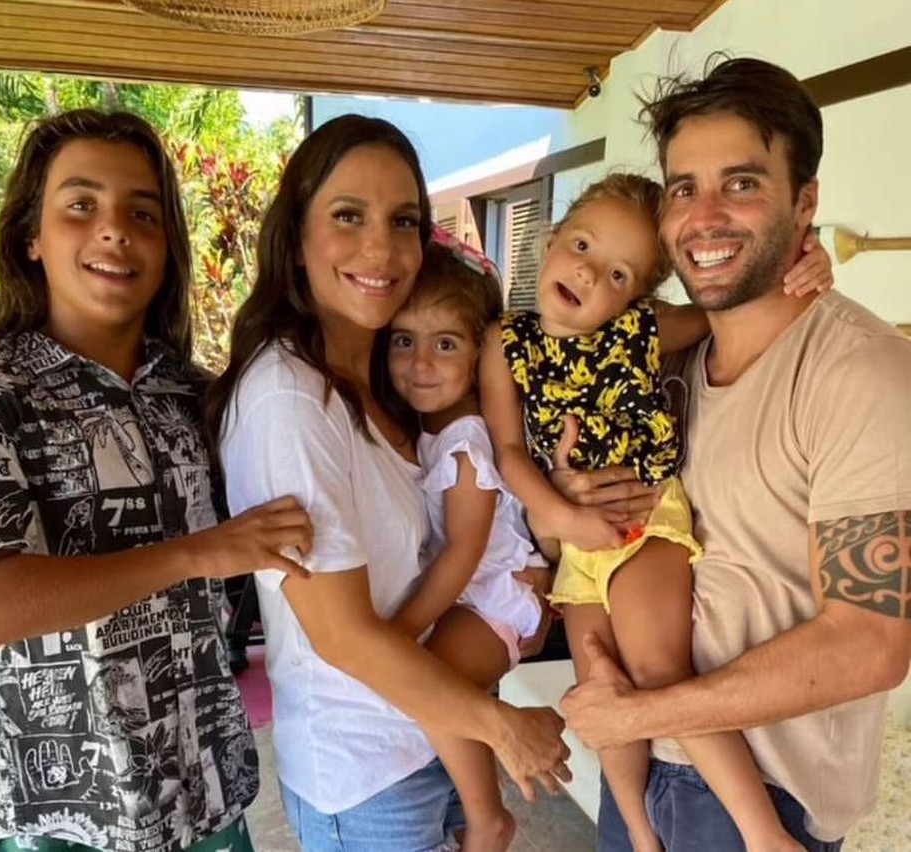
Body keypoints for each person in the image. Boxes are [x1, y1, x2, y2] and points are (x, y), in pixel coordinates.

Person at [0, 109, 313, 852]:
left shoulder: (196, 397)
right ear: (30, 238)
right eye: (81, 205)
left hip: (205, 796)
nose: (114, 229)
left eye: (143, 211)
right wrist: (200, 553)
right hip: (62, 815)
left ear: (166, 246)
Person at [560, 57, 911, 851]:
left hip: (761, 800)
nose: (704, 215)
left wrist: (641, 712)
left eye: (743, 184)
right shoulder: (665, 363)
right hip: (647, 761)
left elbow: (872, 641)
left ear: (806, 201)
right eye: (684, 188)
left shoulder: (859, 370)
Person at [209, 113, 570, 851]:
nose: (380, 247)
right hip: (368, 770)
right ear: (296, 237)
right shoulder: (290, 399)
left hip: (427, 737)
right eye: (348, 215)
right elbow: (343, 636)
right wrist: (506, 730)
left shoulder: (389, 384)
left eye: (403, 220)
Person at [478, 171, 829, 852]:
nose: (587, 272)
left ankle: (763, 835)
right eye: (580, 244)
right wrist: (562, 515)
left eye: (616, 273)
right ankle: (640, 833)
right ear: (551, 239)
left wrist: (803, 264)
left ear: (636, 293)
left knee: (659, 672)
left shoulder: (641, 329)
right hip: (579, 548)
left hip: (644, 527)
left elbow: (739, 307)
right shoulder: (506, 342)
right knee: (602, 690)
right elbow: (509, 451)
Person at [384, 231, 551, 851]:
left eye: (445, 344)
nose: (420, 363)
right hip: (475, 597)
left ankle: (488, 819)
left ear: (482, 352)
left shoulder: (464, 444)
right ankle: (470, 808)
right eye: (405, 341)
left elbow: (464, 550)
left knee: (429, 677)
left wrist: (400, 633)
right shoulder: (432, 429)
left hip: (494, 596)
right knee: (439, 686)